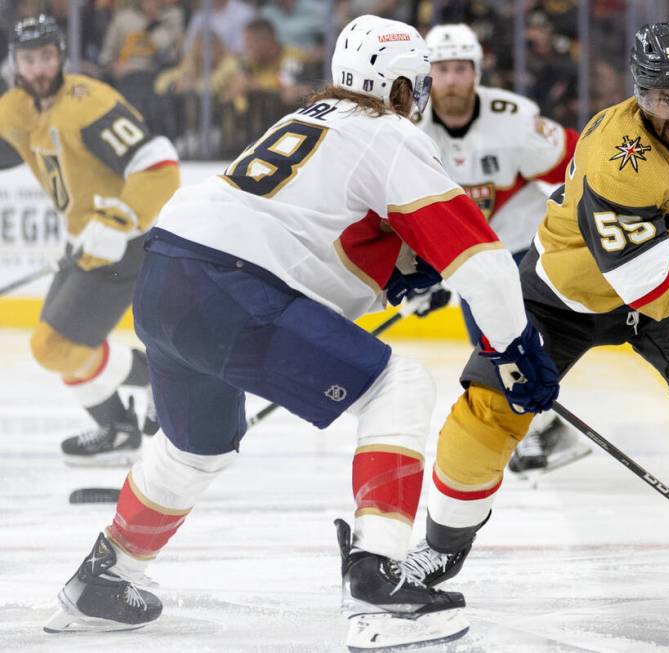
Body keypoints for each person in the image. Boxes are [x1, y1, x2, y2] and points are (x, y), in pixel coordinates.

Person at [44, 15, 558, 652]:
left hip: (167, 271)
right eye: (418, 82)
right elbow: (483, 260)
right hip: (232, 287)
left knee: (197, 447)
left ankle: (106, 575)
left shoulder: (312, 117)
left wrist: (392, 270)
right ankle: (377, 581)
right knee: (398, 386)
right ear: (400, 84)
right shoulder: (389, 133)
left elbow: (305, 240)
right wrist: (516, 349)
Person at [402, 21, 669, 612]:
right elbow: (650, 290)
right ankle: (439, 548)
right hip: (568, 297)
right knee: (486, 416)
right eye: (660, 96)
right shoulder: (618, 158)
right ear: (638, 93)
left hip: (667, 270)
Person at [0, 15, 180, 465]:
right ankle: (119, 427)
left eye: (46, 57)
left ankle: (163, 378)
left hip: (127, 242)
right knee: (59, 348)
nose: (39, 69)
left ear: (61, 57)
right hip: (86, 241)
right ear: (14, 64)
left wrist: (121, 217)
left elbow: (158, 161)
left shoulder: (88, 103)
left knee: (54, 346)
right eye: (28, 59)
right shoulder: (18, 108)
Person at [415, 23, 587, 475]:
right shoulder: (407, 126)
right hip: (466, 250)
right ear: (428, 75)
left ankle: (535, 427)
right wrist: (418, 273)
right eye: (443, 70)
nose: (452, 79)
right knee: (490, 333)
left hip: (519, 242)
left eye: (461, 69)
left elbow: (581, 160)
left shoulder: (512, 118)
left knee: (498, 329)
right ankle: (542, 427)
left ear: (477, 72)